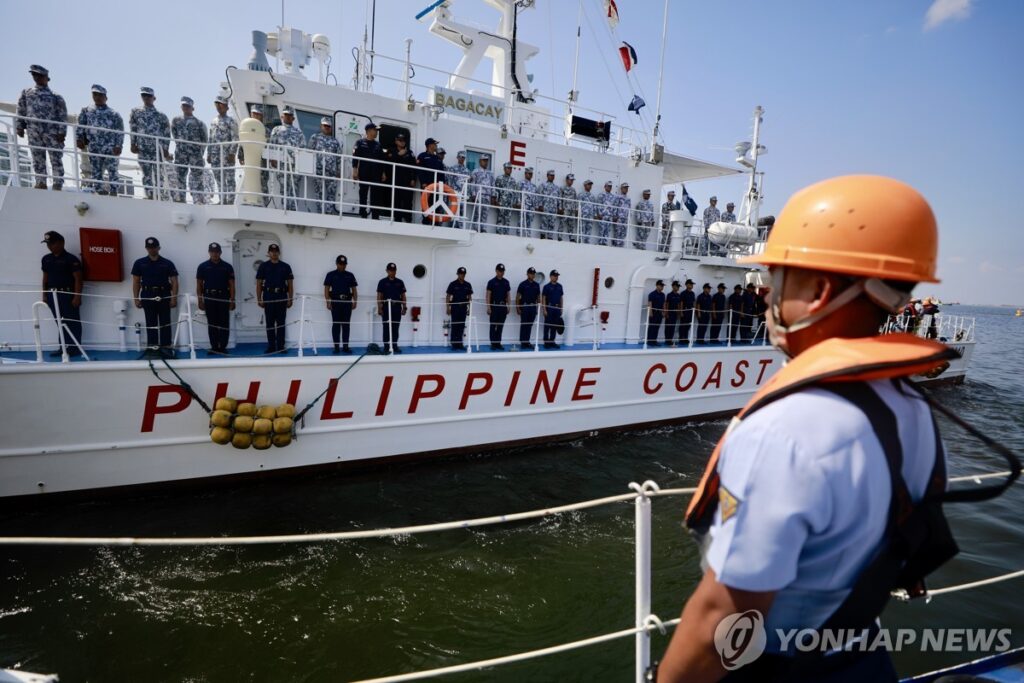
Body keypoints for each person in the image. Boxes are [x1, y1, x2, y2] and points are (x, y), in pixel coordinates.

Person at [659, 175, 959, 682]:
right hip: (862, 658)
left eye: (777, 279)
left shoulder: (783, 432)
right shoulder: (912, 407)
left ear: (818, 292)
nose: (765, 295)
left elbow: (723, 615)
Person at [17, 65, 67, 191]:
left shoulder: (56, 96)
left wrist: (62, 132)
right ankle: (40, 182)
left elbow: (62, 115)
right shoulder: (26, 93)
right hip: (34, 131)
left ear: (46, 78)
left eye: (40, 75)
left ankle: (57, 182)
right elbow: (21, 110)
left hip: (52, 133)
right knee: (37, 158)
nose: (37, 77)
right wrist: (19, 126)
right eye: (34, 75)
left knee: (55, 157)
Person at [131, 237, 178, 354]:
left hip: (164, 295)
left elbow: (174, 282)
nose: (152, 250)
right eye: (149, 248)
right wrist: (136, 298)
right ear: (146, 248)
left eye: (154, 247)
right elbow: (136, 282)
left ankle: (166, 348)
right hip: (147, 295)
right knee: (150, 323)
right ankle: (152, 349)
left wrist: (174, 298)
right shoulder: (139, 263)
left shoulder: (167, 263)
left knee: (165, 323)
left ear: (159, 248)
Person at [40, 231, 82, 356]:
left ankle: (74, 348)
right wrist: (44, 294)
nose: (49, 246)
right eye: (48, 244)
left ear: (61, 243)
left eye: (52, 243)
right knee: (59, 322)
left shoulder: (71, 259)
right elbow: (45, 278)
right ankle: (63, 347)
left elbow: (78, 279)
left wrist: (77, 296)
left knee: (72, 322)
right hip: (52, 294)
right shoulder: (46, 259)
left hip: (67, 294)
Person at [76, 84, 124, 195]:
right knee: (96, 169)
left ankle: (114, 190)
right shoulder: (86, 111)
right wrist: (79, 139)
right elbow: (80, 126)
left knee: (112, 169)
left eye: (100, 95)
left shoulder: (114, 114)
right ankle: (98, 189)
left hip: (110, 147)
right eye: (95, 94)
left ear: (105, 97)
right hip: (94, 146)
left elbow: (120, 131)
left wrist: (119, 145)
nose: (97, 97)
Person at [129, 87, 172, 199]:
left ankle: (159, 194)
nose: (146, 98)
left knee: (159, 173)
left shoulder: (161, 116)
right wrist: (133, 143)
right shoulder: (136, 112)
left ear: (154, 98)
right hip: (143, 148)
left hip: (158, 149)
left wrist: (166, 148)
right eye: (144, 95)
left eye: (149, 96)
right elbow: (133, 128)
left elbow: (167, 133)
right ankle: (149, 194)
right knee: (146, 173)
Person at [196, 242, 235, 355]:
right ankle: (214, 346)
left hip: (223, 297)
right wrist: (200, 300)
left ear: (220, 252)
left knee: (224, 323)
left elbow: (232, 285)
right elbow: (199, 284)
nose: (215, 254)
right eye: (212, 252)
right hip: (209, 297)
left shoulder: (227, 267)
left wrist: (232, 300)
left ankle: (222, 347)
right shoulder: (203, 266)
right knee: (212, 323)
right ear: (209, 252)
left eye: (217, 252)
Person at [255, 243, 293, 354]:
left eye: (276, 251)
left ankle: (281, 346)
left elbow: (290, 285)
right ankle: (271, 346)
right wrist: (259, 298)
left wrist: (290, 299)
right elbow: (259, 284)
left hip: (281, 296)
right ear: (268, 253)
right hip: (269, 296)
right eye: (272, 251)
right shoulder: (263, 266)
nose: (274, 253)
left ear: (279, 253)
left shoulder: (285, 266)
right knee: (270, 323)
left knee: (281, 322)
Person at [170, 96, 207, 204]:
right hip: (181, 153)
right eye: (184, 105)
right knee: (180, 176)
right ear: (181, 107)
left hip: (195, 154)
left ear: (192, 108)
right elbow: (174, 134)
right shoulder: (176, 121)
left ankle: (198, 200)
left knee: (197, 177)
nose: (186, 107)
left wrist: (200, 152)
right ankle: (181, 198)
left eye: (188, 106)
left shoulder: (199, 123)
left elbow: (204, 139)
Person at [269, 106, 305, 211]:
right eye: (286, 115)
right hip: (282, 164)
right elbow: (272, 145)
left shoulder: (299, 132)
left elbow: (303, 148)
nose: (288, 117)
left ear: (293, 118)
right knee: (284, 187)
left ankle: (293, 210)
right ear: (282, 116)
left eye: (290, 115)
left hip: (295, 166)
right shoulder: (276, 130)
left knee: (294, 188)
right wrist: (273, 158)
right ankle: (285, 208)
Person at [323, 254, 358, 354]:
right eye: (340, 264)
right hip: (336, 302)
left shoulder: (350, 275)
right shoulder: (330, 274)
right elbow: (326, 289)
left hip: (347, 302)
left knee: (346, 325)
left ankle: (346, 347)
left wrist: (355, 301)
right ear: (336, 264)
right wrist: (328, 301)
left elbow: (354, 290)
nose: (342, 266)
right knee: (336, 325)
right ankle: (336, 347)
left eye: (344, 264)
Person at [207, 95, 238, 205]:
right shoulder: (213, 121)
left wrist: (232, 153)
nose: (219, 106)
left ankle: (230, 200)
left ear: (226, 107)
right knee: (219, 178)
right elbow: (211, 138)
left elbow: (235, 138)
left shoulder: (231, 121)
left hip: (227, 155)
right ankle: (222, 200)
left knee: (229, 178)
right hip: (215, 155)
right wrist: (209, 153)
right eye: (217, 104)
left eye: (221, 104)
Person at [309, 117, 342, 215]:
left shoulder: (335, 141)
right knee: (319, 193)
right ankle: (320, 212)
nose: (327, 127)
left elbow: (339, 157)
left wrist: (339, 170)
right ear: (321, 126)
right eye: (325, 125)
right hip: (318, 170)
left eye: (329, 126)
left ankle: (328, 212)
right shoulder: (315, 137)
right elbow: (309, 152)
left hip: (332, 172)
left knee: (331, 193)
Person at [238, 104, 270, 205]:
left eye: (258, 114)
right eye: (254, 114)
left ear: (261, 116)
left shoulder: (266, 131)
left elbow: (270, 146)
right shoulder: (247, 127)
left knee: (263, 183)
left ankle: (264, 204)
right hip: (250, 161)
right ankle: (250, 201)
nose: (256, 116)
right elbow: (242, 143)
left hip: (263, 162)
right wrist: (240, 155)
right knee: (250, 180)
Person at [353, 122, 386, 219]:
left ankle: (375, 215)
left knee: (375, 195)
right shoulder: (360, 143)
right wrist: (355, 170)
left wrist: (383, 172)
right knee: (363, 193)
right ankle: (363, 213)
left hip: (376, 173)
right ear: (368, 131)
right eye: (375, 130)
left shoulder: (378, 145)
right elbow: (355, 157)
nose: (377, 132)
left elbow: (382, 160)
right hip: (364, 172)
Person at [376, 262, 407, 353]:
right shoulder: (382, 282)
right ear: (387, 271)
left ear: (396, 271)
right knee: (386, 328)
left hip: (397, 308)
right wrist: (379, 308)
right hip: (386, 308)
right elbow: (379, 296)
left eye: (394, 270)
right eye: (390, 270)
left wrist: (404, 307)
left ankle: (394, 346)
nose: (392, 272)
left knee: (395, 328)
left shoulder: (400, 282)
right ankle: (386, 347)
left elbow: (403, 296)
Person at [416, 137, 447, 224]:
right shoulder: (422, 156)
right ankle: (426, 222)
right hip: (426, 185)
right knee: (426, 205)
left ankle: (435, 223)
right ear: (429, 145)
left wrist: (442, 185)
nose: (436, 146)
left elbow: (441, 173)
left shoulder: (437, 158)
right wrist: (423, 182)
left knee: (436, 205)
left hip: (436, 187)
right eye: (434, 144)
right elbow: (419, 170)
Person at [484, 263, 511, 350]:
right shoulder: (491, 282)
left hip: (503, 307)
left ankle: (498, 343)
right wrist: (488, 307)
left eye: (503, 271)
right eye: (500, 271)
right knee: (493, 325)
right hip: (494, 306)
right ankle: (493, 343)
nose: (501, 273)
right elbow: (488, 295)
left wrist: (509, 306)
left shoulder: (506, 282)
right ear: (496, 271)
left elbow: (508, 295)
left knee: (500, 326)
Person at [445, 266, 473, 351]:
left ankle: (460, 343)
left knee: (461, 325)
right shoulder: (453, 284)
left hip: (463, 308)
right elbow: (448, 296)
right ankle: (454, 344)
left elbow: (469, 297)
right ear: (457, 274)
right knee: (455, 325)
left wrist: (469, 308)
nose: (462, 275)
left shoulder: (468, 285)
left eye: (463, 274)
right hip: (455, 307)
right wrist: (448, 308)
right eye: (461, 274)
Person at [467, 155, 495, 231]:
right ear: (480, 161)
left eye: (487, 161)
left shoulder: (490, 173)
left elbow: (493, 185)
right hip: (478, 195)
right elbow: (472, 183)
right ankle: (476, 229)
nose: (485, 162)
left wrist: (493, 196)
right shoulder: (475, 171)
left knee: (485, 214)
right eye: (484, 160)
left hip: (487, 196)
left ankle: (483, 229)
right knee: (477, 213)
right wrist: (473, 194)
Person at [516, 267, 541, 349]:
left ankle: (527, 341)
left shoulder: (536, 285)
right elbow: (517, 297)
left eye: (533, 274)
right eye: (530, 273)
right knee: (524, 324)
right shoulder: (522, 284)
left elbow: (538, 297)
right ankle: (523, 342)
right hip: (525, 307)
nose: (532, 275)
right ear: (527, 274)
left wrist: (537, 309)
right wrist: (518, 308)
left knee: (530, 325)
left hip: (533, 307)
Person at [493, 162, 520, 235]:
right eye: (508, 168)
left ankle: (506, 234)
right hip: (501, 202)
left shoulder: (513, 180)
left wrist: (516, 202)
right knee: (500, 219)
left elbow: (515, 192)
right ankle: (498, 234)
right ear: (504, 169)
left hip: (509, 204)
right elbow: (496, 190)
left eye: (511, 168)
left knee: (507, 220)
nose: (510, 170)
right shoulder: (499, 178)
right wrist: (495, 200)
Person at [446, 151, 471, 228]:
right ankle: (452, 227)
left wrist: (468, 194)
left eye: (463, 157)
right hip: (454, 193)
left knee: (462, 212)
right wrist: (450, 192)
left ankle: (460, 228)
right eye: (460, 157)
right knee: (453, 210)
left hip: (463, 194)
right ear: (457, 157)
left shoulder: (467, 170)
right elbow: (449, 181)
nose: (462, 159)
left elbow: (468, 184)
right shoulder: (452, 168)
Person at [541, 270, 564, 348]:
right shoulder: (546, 287)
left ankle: (552, 341)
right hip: (549, 308)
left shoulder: (560, 286)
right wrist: (544, 309)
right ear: (550, 276)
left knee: (554, 325)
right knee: (547, 326)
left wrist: (561, 308)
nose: (556, 277)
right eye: (554, 276)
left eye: (557, 276)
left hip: (557, 308)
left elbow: (561, 298)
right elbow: (543, 298)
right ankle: (546, 342)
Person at [536, 170, 560, 239]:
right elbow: (539, 196)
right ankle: (542, 238)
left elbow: (558, 198)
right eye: (551, 175)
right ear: (547, 176)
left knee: (552, 224)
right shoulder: (542, 185)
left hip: (553, 209)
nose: (552, 177)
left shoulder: (556, 187)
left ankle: (550, 238)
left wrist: (559, 207)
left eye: (553, 176)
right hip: (545, 208)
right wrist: (540, 205)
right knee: (544, 223)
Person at [519, 167, 539, 238]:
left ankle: (528, 236)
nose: (530, 175)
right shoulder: (521, 183)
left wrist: (536, 206)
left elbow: (536, 197)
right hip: (524, 206)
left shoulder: (534, 186)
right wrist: (518, 202)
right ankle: (519, 236)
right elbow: (518, 194)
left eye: (531, 174)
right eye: (529, 173)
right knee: (521, 222)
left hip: (531, 208)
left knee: (529, 223)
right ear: (525, 174)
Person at [578, 179, 599, 244]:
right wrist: (578, 213)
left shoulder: (592, 196)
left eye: (590, 185)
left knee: (589, 230)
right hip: (583, 215)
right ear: (585, 185)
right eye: (588, 184)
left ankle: (587, 243)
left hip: (590, 216)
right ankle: (580, 242)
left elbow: (594, 206)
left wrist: (595, 215)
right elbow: (578, 205)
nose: (590, 186)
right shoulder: (581, 194)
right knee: (582, 229)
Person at [559, 173, 579, 242]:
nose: (572, 181)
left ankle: (571, 238)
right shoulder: (562, 188)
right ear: (567, 180)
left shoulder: (573, 190)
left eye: (572, 180)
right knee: (562, 222)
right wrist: (560, 208)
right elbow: (560, 199)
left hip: (572, 209)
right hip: (565, 209)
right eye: (570, 180)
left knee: (571, 224)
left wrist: (576, 209)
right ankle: (560, 236)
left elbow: (575, 200)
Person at [646, 279, 666, 346]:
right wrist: (650, 312)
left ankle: (654, 341)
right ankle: (649, 341)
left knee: (657, 327)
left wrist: (664, 312)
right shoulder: (652, 294)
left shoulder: (663, 295)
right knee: (652, 327)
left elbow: (663, 304)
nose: (662, 287)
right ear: (657, 285)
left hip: (659, 313)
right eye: (661, 285)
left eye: (663, 286)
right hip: (653, 313)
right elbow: (650, 303)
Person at [597, 180, 616, 246]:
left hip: (609, 216)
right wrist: (599, 214)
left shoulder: (613, 196)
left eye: (610, 186)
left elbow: (614, 206)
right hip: (603, 216)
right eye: (608, 186)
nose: (609, 187)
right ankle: (600, 243)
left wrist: (613, 215)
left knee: (607, 230)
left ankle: (604, 243)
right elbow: (598, 204)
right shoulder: (601, 195)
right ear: (605, 186)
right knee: (601, 230)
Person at [612, 182, 632, 247]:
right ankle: (616, 245)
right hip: (619, 218)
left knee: (624, 233)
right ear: (621, 188)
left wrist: (629, 217)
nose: (626, 189)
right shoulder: (618, 197)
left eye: (627, 188)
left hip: (625, 218)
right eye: (625, 188)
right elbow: (615, 206)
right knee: (618, 232)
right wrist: (615, 216)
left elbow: (629, 208)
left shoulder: (628, 199)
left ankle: (621, 245)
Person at [665, 280, 682, 346]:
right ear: (673, 286)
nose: (678, 288)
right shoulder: (669, 295)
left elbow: (679, 305)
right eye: (677, 286)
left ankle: (670, 340)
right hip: (670, 313)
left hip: (675, 313)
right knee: (668, 327)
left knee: (672, 327)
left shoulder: (678, 295)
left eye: (678, 287)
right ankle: (667, 340)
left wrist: (679, 313)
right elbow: (667, 304)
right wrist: (666, 313)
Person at [679, 279, 696, 345]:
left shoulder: (692, 293)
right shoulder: (683, 293)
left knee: (688, 326)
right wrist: (681, 312)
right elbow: (681, 303)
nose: (691, 285)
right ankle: (681, 339)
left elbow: (693, 302)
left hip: (690, 311)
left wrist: (694, 311)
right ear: (686, 285)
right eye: (690, 284)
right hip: (685, 311)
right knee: (683, 325)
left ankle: (685, 338)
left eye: (692, 284)